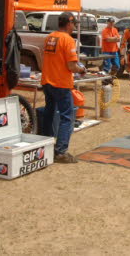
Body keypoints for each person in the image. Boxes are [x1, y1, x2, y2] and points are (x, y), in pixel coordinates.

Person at [41, 12, 87, 163]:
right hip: (60, 84)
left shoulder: (49, 38)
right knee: (67, 117)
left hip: (47, 81)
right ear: (68, 23)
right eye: (74, 24)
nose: (74, 27)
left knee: (49, 114)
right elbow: (72, 66)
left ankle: (46, 146)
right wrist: (82, 69)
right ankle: (61, 151)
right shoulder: (68, 40)